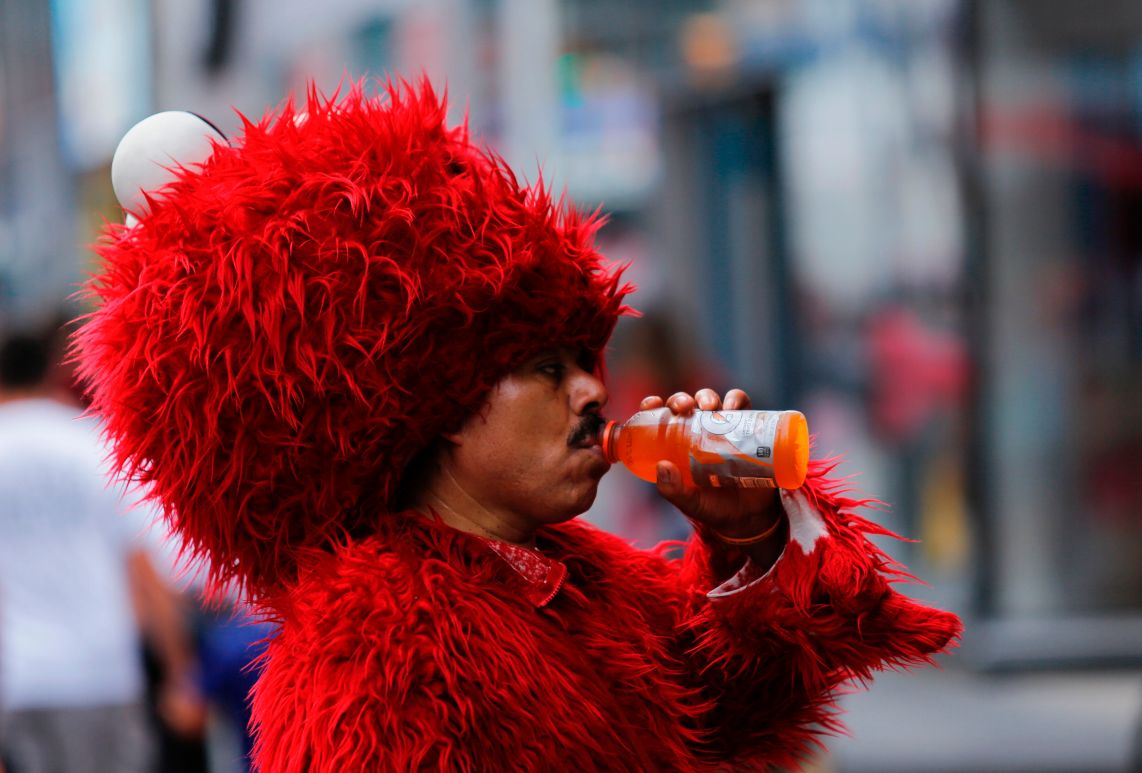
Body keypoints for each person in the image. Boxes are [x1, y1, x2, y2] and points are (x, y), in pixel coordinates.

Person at [76, 78, 960, 771]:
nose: (589, 392)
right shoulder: (379, 656)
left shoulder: (570, 575)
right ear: (439, 403)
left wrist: (750, 538)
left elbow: (736, 706)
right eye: (544, 367)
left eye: (587, 361)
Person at [0, 328, 200, 773]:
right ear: (52, 372)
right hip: (101, 671)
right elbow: (143, 565)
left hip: (21, 678)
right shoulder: (91, 445)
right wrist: (181, 671)